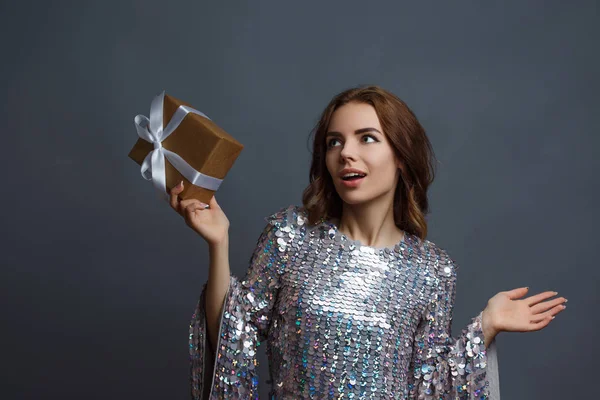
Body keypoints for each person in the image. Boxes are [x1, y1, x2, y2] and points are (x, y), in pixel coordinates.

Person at [172, 86, 567, 399]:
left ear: (400, 155)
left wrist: (486, 326)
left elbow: (425, 391)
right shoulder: (289, 235)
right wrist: (218, 243)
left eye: (367, 138)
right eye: (334, 142)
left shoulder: (432, 270)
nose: (347, 153)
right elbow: (230, 333)